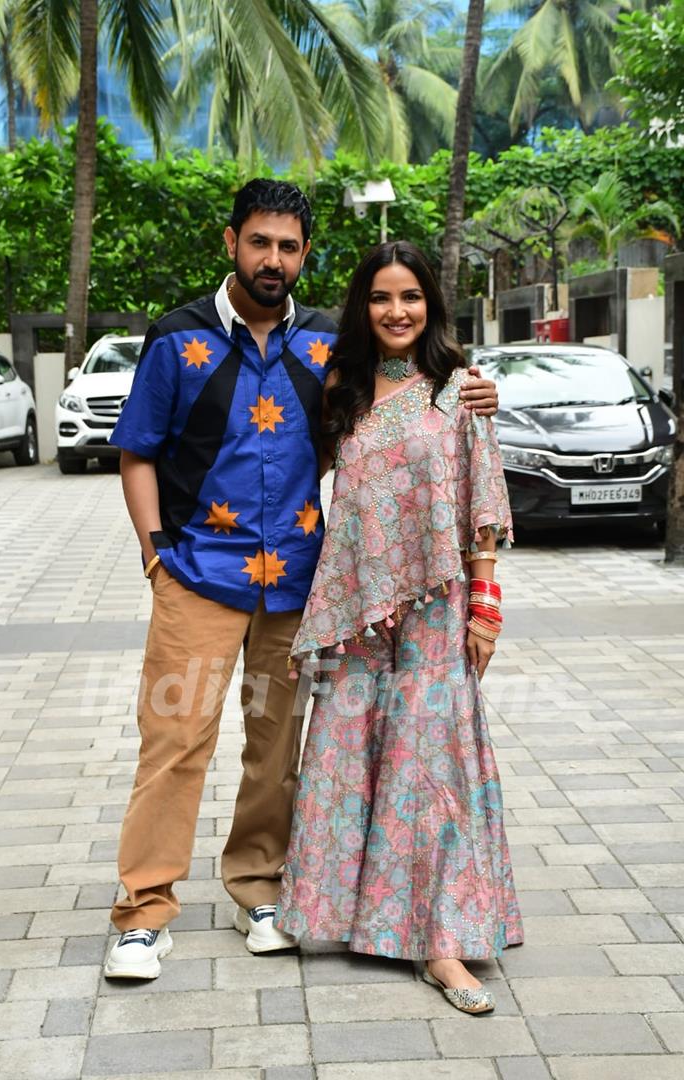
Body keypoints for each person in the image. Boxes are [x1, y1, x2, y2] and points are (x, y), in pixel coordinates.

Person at [103, 181, 500, 979]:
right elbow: (137, 449)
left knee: (276, 748)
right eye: (259, 243)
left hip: (296, 584)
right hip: (196, 575)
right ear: (231, 244)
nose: (273, 259)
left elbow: (403, 390)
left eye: (288, 247)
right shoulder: (178, 338)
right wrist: (155, 555)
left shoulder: (327, 348)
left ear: (304, 255)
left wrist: (479, 390)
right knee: (175, 741)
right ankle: (144, 912)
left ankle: (259, 890)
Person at [275, 240, 523, 1014]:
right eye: (381, 297)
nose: (397, 311)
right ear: (363, 306)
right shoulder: (340, 390)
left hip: (437, 606)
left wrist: (486, 604)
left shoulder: (459, 392)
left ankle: (442, 942)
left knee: (431, 765)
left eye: (410, 297)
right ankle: (346, 915)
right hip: (354, 607)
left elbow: (482, 500)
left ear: (431, 305)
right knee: (349, 757)